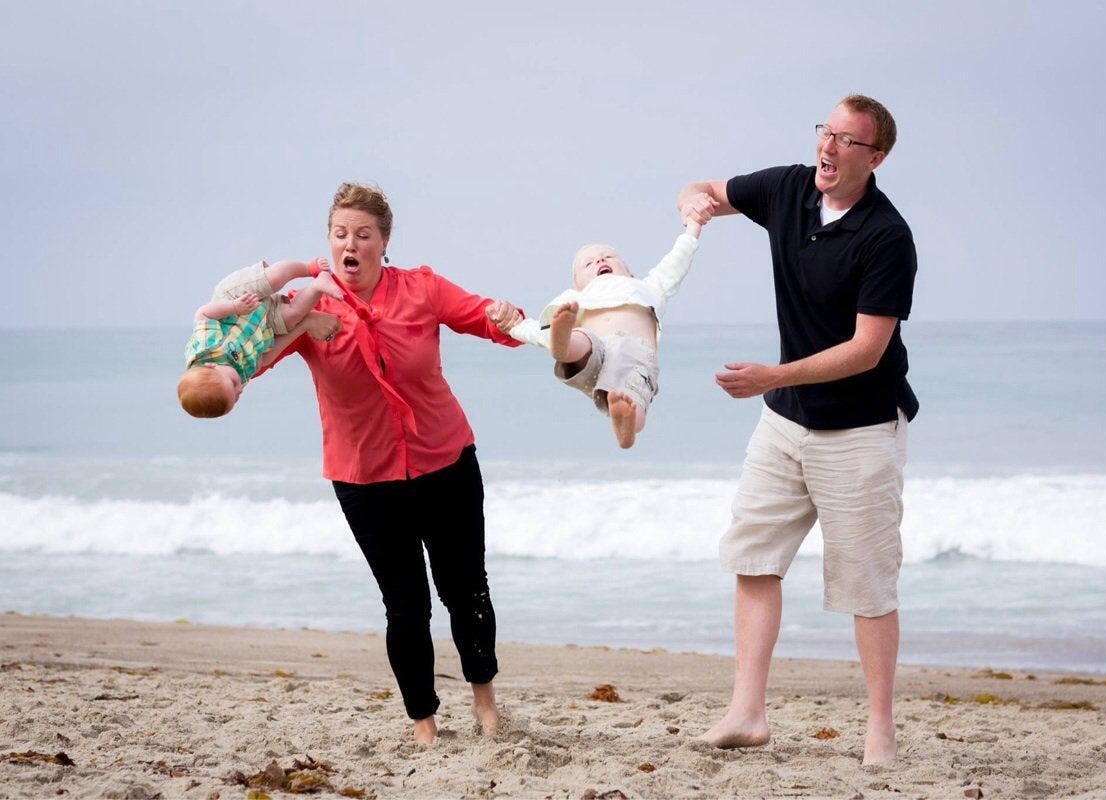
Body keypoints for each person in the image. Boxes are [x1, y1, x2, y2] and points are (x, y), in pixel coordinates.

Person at [677, 94, 918, 765]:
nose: (829, 149)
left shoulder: (886, 237)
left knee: (866, 586)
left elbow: (866, 350)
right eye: (826, 133)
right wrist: (694, 210)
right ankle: (747, 712)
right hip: (784, 426)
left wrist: (772, 377)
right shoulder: (788, 188)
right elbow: (701, 188)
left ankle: (880, 731)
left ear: (876, 158)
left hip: (862, 430)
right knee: (752, 558)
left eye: (848, 141)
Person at [259, 182, 525, 745]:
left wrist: (508, 315)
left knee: (467, 590)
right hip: (364, 479)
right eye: (339, 234)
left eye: (362, 234)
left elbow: (492, 322)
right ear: (328, 242)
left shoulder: (421, 289)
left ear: (383, 243)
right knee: (406, 606)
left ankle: (486, 705)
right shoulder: (312, 307)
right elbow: (254, 358)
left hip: (446, 463)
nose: (349, 244)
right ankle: (424, 724)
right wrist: (281, 327)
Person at [489, 213, 710, 448]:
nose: (599, 261)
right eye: (588, 263)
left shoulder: (648, 287)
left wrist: (693, 228)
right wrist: (516, 327)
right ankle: (562, 344)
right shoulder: (578, 299)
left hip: (633, 355)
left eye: (608, 257)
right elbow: (538, 332)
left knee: (633, 396)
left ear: (630, 272)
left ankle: (625, 423)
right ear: (577, 284)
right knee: (581, 338)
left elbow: (676, 262)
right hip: (593, 348)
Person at [177, 258, 342, 418]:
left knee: (273, 278)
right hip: (264, 323)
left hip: (238, 299)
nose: (239, 389)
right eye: (236, 397)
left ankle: (308, 268)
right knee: (293, 315)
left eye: (233, 384)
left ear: (211, 367)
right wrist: (299, 326)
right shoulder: (240, 376)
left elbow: (203, 314)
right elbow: (263, 359)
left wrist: (234, 307)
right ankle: (319, 285)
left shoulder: (205, 350)